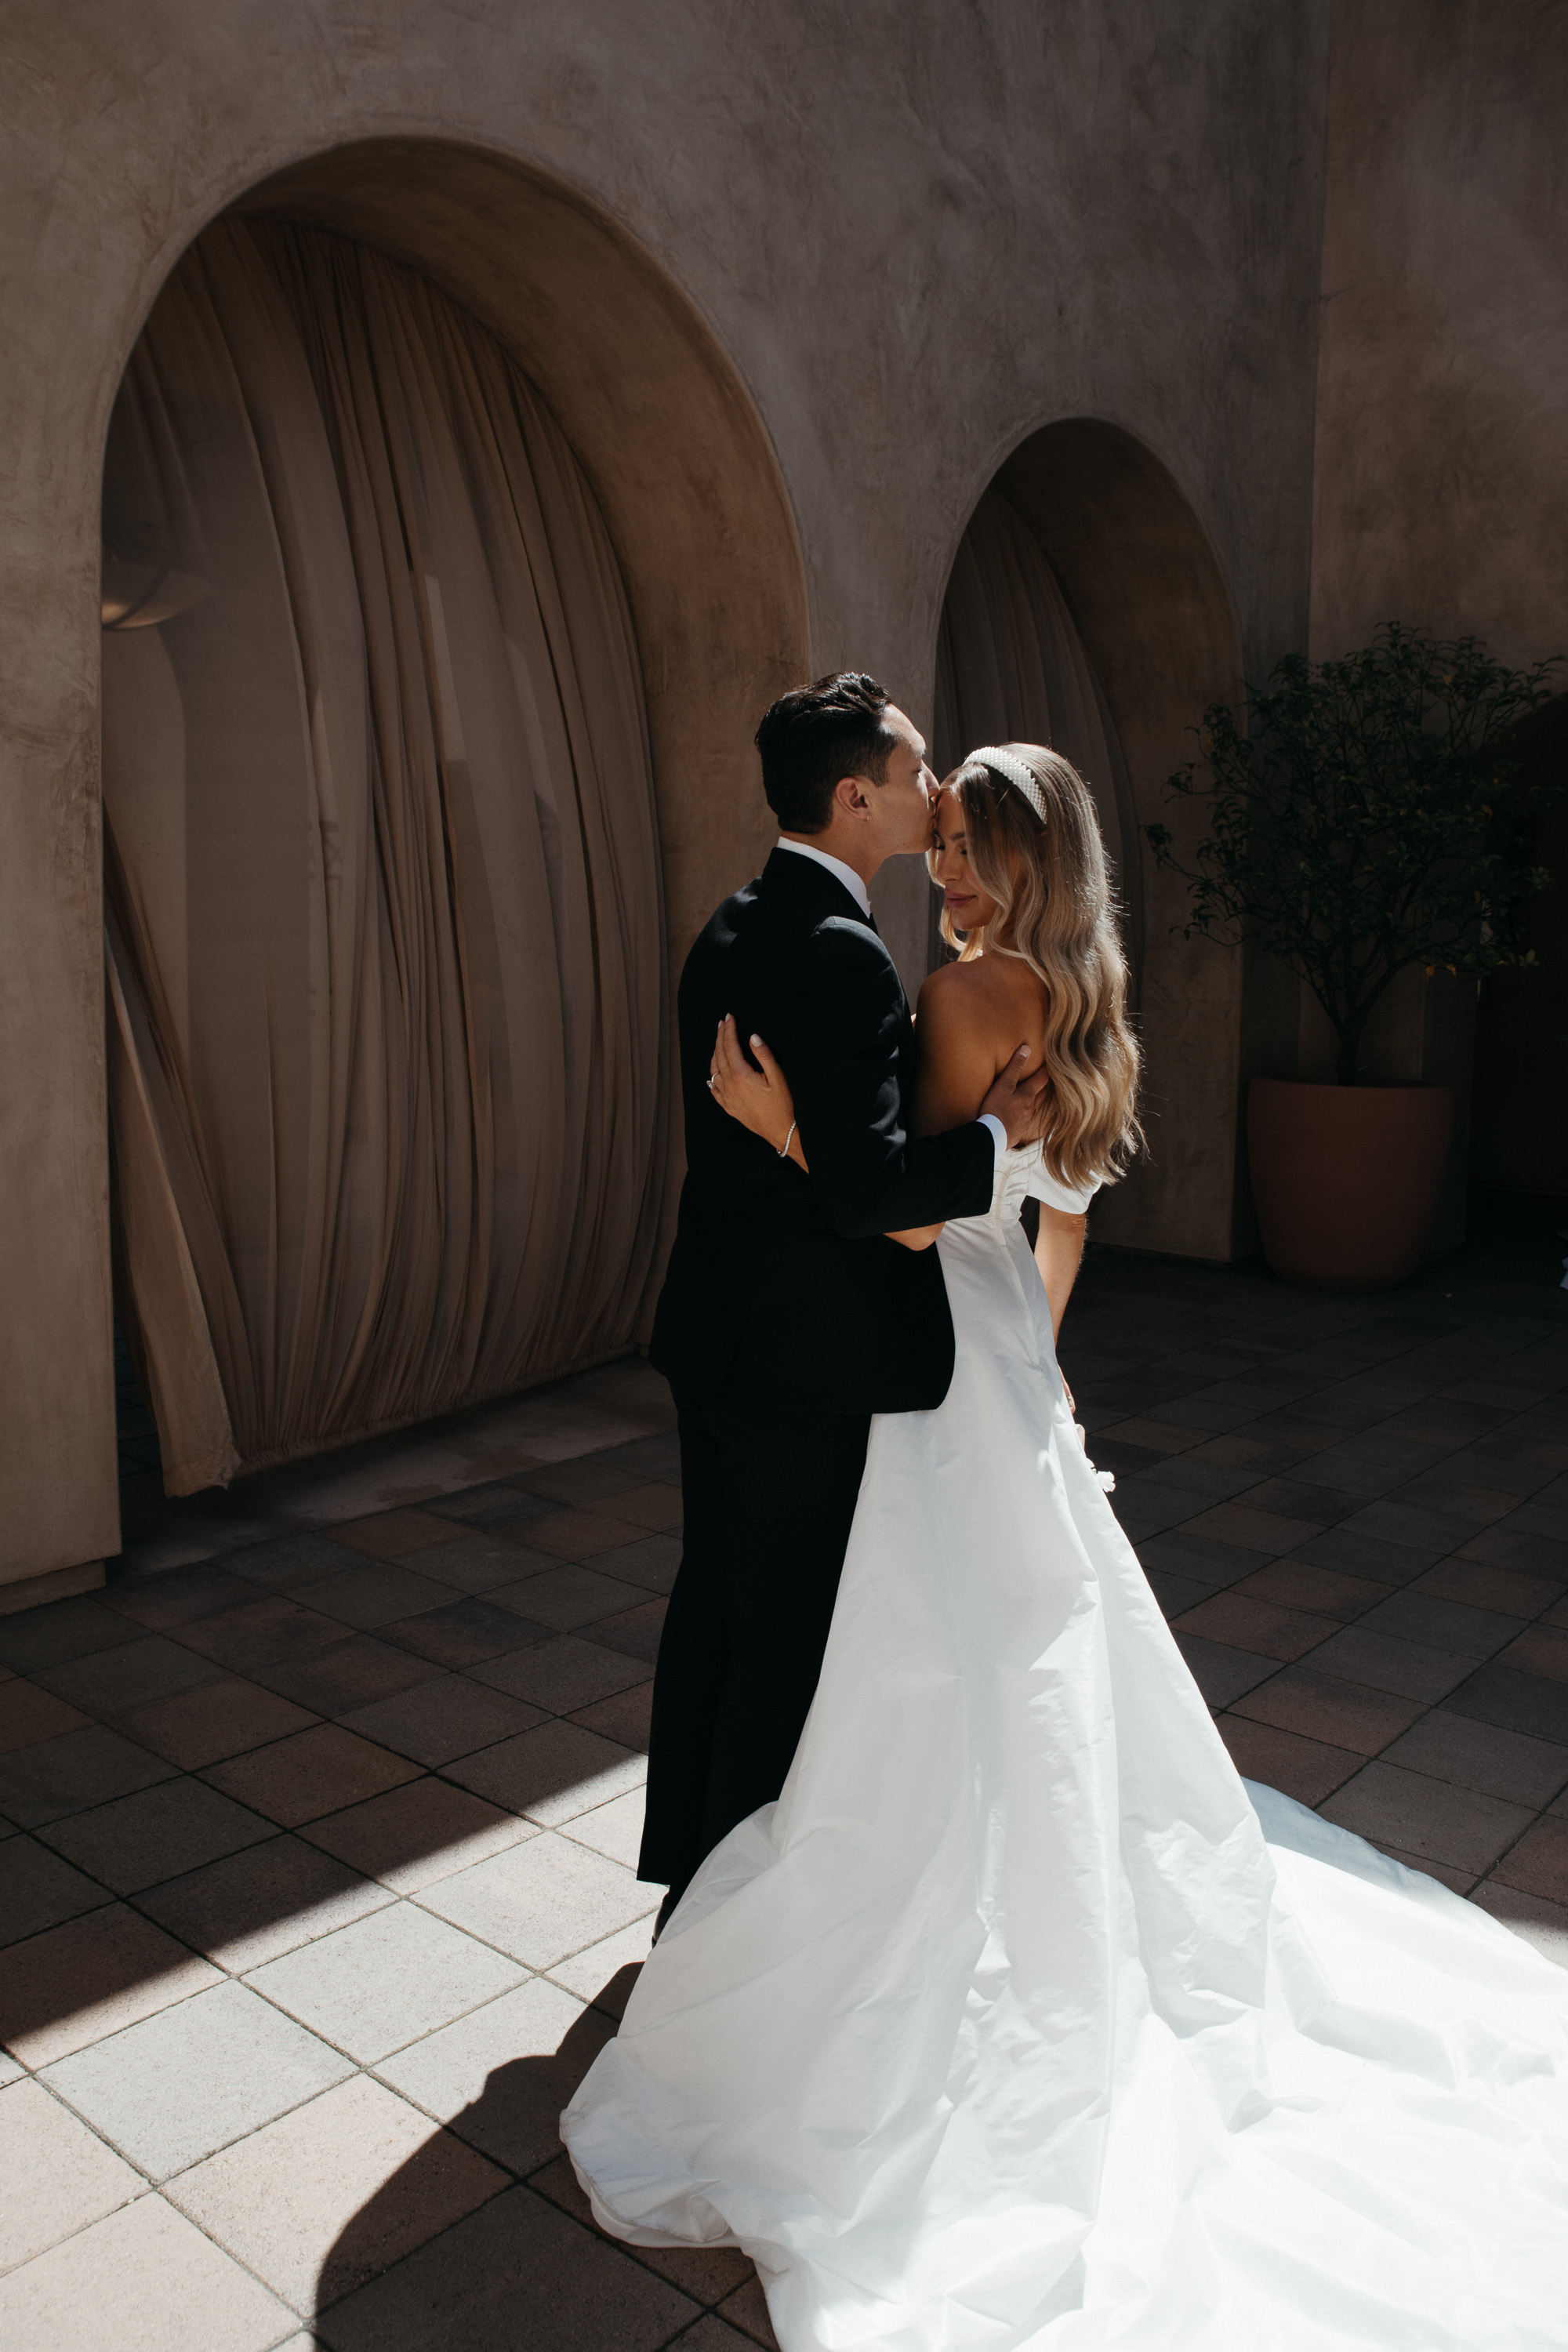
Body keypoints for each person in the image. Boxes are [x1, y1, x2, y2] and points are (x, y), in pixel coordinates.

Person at [565, 740, 1568, 2350]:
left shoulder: (972, 999)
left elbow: (904, 1216)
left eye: (969, 852)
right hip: (999, 1382)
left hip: (936, 1376)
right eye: (941, 843)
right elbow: (1067, 1218)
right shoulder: (1083, 998)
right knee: (1009, 1680)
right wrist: (1029, 1385)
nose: (947, 878)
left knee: (922, 1684)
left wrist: (778, 1128)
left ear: (1030, 864)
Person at [638, 675, 1049, 1927]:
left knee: (713, 1605)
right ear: (856, 793)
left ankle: (688, 1882)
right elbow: (876, 1197)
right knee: (782, 1641)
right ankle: (732, 1929)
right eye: (917, 770)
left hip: (714, 1339)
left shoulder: (730, 924)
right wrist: (991, 1144)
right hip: (798, 1367)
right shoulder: (841, 954)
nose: (935, 793)